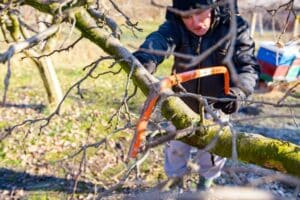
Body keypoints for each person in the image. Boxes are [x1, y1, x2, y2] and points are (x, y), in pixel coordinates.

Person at [133, 0, 260, 190]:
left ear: (214, 8)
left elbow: (247, 66)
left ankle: (205, 186)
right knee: (176, 150)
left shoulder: (235, 28)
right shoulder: (176, 25)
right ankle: (174, 185)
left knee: (212, 153)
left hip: (218, 105)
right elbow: (160, 39)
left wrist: (239, 92)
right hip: (182, 103)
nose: (194, 22)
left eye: (200, 13)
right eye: (187, 16)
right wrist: (146, 58)